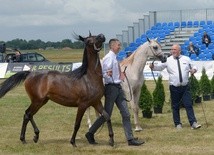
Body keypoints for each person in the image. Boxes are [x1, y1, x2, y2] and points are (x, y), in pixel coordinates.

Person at [85, 38, 144, 146]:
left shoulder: (115, 58)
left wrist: (120, 75)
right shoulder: (108, 58)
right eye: (118, 45)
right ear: (112, 46)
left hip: (118, 87)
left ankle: (130, 139)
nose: (120, 47)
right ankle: (90, 133)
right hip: (111, 88)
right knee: (106, 115)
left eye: (120, 45)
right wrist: (108, 74)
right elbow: (103, 73)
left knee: (126, 114)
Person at [149, 44, 201, 130]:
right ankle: (177, 124)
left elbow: (194, 66)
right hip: (174, 87)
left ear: (179, 50)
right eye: (172, 49)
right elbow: (159, 67)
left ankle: (193, 123)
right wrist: (153, 67)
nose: (173, 51)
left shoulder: (186, 59)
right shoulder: (167, 60)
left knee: (188, 105)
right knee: (175, 106)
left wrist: (193, 70)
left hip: (185, 87)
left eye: (175, 49)